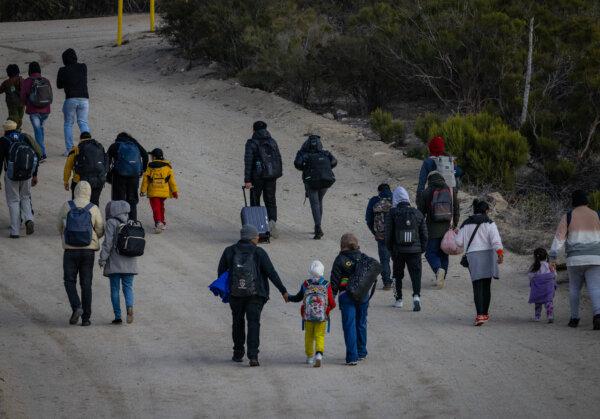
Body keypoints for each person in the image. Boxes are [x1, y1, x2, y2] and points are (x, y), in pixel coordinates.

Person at [217, 225, 289, 366]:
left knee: (237, 322)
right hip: (256, 294)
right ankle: (253, 356)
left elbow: (221, 273)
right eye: (257, 236)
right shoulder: (259, 252)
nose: (258, 238)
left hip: (236, 294)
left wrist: (228, 290)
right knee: (253, 323)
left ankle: (238, 353)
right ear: (251, 237)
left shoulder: (229, 251)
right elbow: (271, 273)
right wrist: (283, 291)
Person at [550, 190, 600, 330]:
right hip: (595, 258)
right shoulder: (597, 215)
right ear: (587, 201)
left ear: (573, 202)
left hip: (575, 259)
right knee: (595, 288)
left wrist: (553, 257)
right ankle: (598, 316)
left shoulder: (568, 216)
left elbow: (558, 239)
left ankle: (574, 318)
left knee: (574, 289)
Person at [58, 181, 105, 326]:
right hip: (88, 251)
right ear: (89, 192)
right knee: (86, 284)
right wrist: (92, 238)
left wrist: (67, 238)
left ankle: (76, 306)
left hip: (70, 250)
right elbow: (100, 229)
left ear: (76, 191)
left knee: (69, 281)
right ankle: (86, 318)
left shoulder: (67, 206)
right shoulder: (93, 208)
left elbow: (59, 226)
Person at [455, 199, 504, 326]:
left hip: (473, 257)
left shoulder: (466, 223)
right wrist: (500, 254)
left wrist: (458, 234)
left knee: (477, 286)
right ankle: (485, 313)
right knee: (486, 285)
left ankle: (479, 315)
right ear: (486, 211)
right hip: (488, 255)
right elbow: (496, 241)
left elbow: (458, 242)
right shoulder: (490, 223)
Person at [385, 187, 428, 311]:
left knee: (397, 275)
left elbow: (388, 235)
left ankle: (398, 299)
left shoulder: (392, 213)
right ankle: (416, 297)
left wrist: (391, 249)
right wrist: (421, 249)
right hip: (415, 251)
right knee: (416, 274)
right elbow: (424, 234)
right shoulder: (418, 213)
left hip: (398, 251)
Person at [331, 233, 370, 366]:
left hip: (346, 296)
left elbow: (334, 283)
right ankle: (362, 352)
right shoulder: (363, 257)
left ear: (342, 245)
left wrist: (331, 300)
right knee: (361, 323)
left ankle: (352, 357)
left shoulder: (339, 259)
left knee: (349, 326)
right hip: (363, 295)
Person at [288, 260, 336, 367]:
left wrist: (289, 297)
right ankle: (318, 354)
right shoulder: (326, 285)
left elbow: (298, 297)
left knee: (309, 336)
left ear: (310, 271)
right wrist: (326, 311)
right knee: (320, 336)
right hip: (322, 317)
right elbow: (332, 303)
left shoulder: (306, 284)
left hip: (308, 316)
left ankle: (309, 357)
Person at [418, 171, 460, 289]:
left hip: (432, 229)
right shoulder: (451, 191)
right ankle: (442, 277)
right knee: (444, 253)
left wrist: (420, 229)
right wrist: (455, 224)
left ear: (429, 180)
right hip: (447, 228)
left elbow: (420, 213)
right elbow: (456, 209)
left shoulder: (426, 192)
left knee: (430, 253)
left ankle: (438, 271)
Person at [0, 120, 42, 238]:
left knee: (13, 201)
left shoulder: (3, 141)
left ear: (5, 130)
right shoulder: (24, 137)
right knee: (25, 197)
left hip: (11, 175)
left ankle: (15, 231)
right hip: (27, 174)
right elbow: (35, 156)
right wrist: (35, 174)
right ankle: (29, 219)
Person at [99, 200, 138, 324]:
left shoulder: (111, 222)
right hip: (130, 261)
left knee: (115, 289)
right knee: (128, 287)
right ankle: (130, 307)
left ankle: (118, 316)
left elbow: (107, 243)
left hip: (115, 262)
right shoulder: (131, 222)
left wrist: (102, 258)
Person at [244, 121, 283, 238]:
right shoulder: (272, 141)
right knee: (271, 200)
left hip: (257, 177)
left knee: (255, 200)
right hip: (271, 175)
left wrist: (247, 180)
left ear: (254, 130)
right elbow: (278, 159)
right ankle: (271, 225)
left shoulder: (251, 143)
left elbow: (248, 162)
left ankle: (258, 227)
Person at [294, 134, 337, 239]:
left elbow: (297, 164)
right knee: (319, 201)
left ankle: (318, 228)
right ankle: (318, 226)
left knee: (315, 204)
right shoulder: (325, 153)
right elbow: (334, 162)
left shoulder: (304, 153)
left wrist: (306, 168)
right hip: (325, 180)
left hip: (311, 181)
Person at [107, 132, 148, 221]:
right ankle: (132, 221)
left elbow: (107, 161)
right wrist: (142, 170)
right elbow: (145, 155)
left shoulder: (115, 146)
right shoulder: (135, 145)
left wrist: (109, 174)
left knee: (119, 199)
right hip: (134, 176)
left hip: (119, 176)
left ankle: (120, 221)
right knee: (132, 199)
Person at [57, 48, 90, 155]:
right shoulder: (83, 67)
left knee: (68, 124)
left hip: (70, 98)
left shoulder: (63, 70)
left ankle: (70, 149)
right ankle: (88, 147)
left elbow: (59, 85)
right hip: (84, 99)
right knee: (83, 122)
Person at [140, 148, 179, 234]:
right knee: (161, 206)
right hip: (163, 192)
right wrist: (174, 191)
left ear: (154, 157)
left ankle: (158, 222)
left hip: (153, 191)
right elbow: (171, 180)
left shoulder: (150, 167)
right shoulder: (167, 167)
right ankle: (162, 222)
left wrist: (143, 190)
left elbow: (145, 180)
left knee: (156, 207)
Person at [63, 132, 107, 206]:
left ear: (80, 139)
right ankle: (94, 217)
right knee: (94, 204)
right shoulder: (99, 147)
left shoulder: (76, 149)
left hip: (80, 181)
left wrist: (66, 181)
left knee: (77, 204)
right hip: (97, 181)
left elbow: (68, 167)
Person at [416, 135, 462, 203]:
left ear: (431, 148)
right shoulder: (448, 160)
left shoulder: (427, 162)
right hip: (449, 193)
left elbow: (421, 182)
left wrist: (419, 198)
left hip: (433, 194)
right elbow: (459, 172)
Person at [20, 61, 51, 161]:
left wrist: (27, 104)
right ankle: (41, 151)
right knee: (40, 129)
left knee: (38, 131)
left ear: (30, 70)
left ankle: (41, 154)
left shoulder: (27, 81)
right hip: (46, 110)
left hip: (34, 110)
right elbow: (50, 95)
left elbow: (23, 97)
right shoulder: (46, 80)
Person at [366, 183, 394, 290]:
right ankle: (397, 279)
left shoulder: (374, 200)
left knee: (384, 259)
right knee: (398, 258)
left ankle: (387, 283)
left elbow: (368, 219)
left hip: (381, 235)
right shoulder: (396, 198)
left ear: (379, 191)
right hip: (396, 235)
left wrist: (375, 232)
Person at [528, 248, 556, 323]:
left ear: (535, 257)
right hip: (548, 288)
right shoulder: (549, 265)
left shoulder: (534, 266)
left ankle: (537, 317)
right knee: (548, 302)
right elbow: (554, 275)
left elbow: (530, 276)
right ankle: (550, 315)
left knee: (538, 303)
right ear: (546, 256)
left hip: (538, 288)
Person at [0, 64, 24, 129]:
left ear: (8, 73)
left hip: (12, 105)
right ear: (18, 72)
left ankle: (13, 130)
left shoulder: (6, 83)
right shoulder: (22, 80)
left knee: (13, 118)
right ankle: (17, 129)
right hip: (22, 103)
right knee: (19, 118)